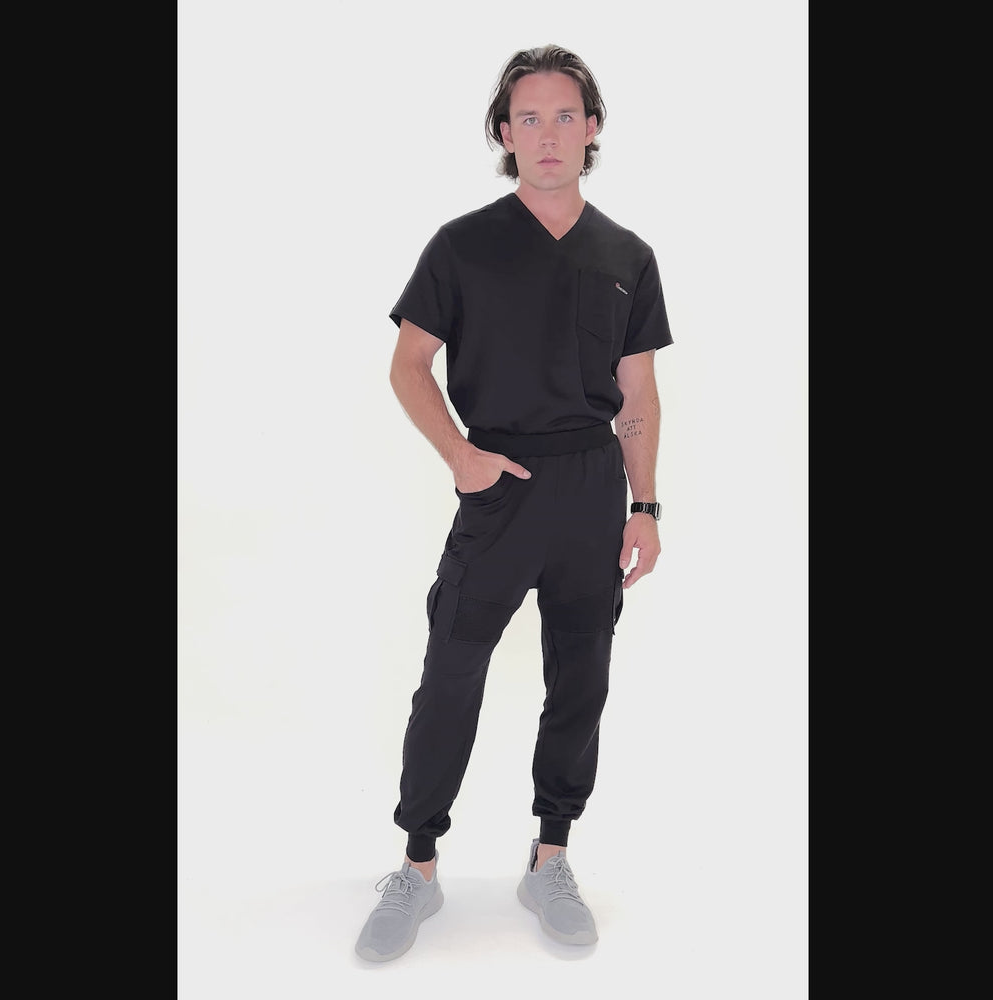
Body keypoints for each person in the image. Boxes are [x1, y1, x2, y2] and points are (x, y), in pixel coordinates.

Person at [355, 43, 673, 962]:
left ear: (593, 128)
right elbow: (409, 365)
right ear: (504, 133)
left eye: (565, 115)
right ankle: (417, 867)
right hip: (498, 488)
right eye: (528, 118)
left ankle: (550, 858)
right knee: (450, 675)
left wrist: (646, 506)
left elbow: (638, 394)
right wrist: (461, 456)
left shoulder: (628, 255)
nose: (548, 134)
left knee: (580, 679)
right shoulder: (462, 245)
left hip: (591, 490)